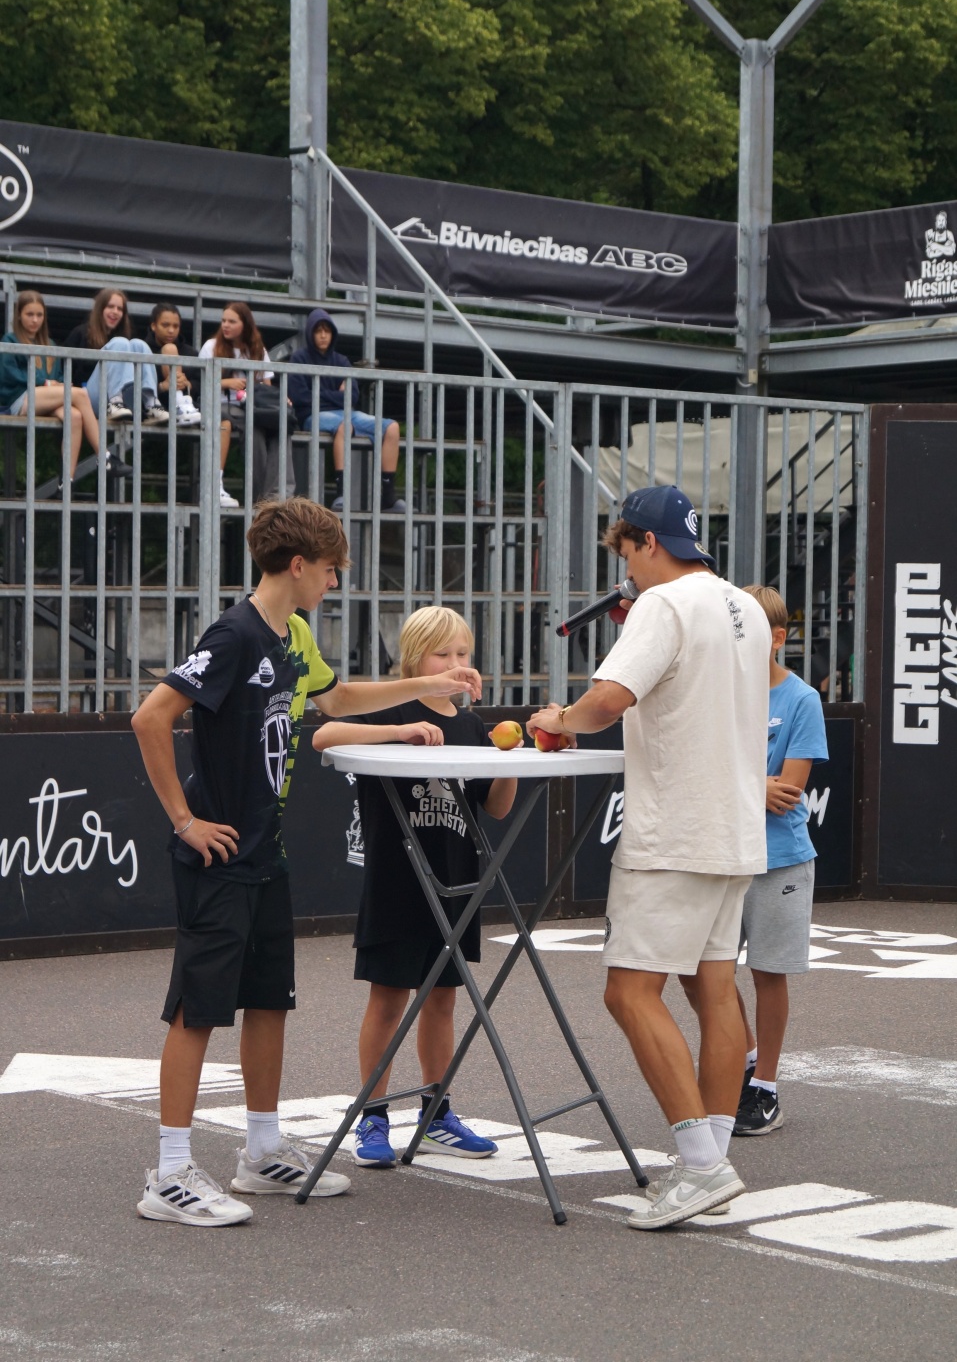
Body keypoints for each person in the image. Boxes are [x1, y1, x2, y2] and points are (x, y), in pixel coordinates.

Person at [130, 500, 484, 1228]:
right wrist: (185, 821)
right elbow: (150, 716)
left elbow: (336, 698)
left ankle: (262, 1151)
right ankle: (169, 1172)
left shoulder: (291, 633)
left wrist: (424, 687)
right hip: (219, 855)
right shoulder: (234, 635)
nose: (333, 582)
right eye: (329, 569)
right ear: (298, 565)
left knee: (269, 1002)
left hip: (267, 853)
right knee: (197, 1011)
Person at [527, 485, 770, 1230]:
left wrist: (559, 719)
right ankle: (709, 1160)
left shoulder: (663, 605)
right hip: (734, 828)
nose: (626, 570)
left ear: (647, 542)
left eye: (626, 552)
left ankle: (701, 1167)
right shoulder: (746, 606)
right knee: (715, 990)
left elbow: (606, 701)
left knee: (629, 993)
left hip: (675, 831)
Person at [314, 606, 516, 1167]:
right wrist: (399, 731)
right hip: (396, 882)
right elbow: (325, 735)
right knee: (387, 1001)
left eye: (463, 654)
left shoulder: (472, 726)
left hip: (456, 882)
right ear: (412, 659)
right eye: (441, 654)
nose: (455, 664)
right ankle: (372, 1116)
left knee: (443, 1002)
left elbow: (496, 808)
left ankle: (436, 1114)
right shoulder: (392, 708)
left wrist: (509, 760)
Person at [728, 584, 828, 1137]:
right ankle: (746, 1060)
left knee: (768, 974)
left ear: (778, 638)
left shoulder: (801, 699)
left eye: (748, 632)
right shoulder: (715, 695)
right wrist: (751, 786)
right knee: (704, 973)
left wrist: (737, 785)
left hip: (780, 860)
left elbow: (786, 792)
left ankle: (764, 1086)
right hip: (721, 855)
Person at [0, 290, 132, 481]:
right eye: (29, 314)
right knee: (80, 394)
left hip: (47, 400)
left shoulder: (50, 344)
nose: (35, 320)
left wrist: (59, 383)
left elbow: (59, 375)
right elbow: (9, 375)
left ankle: (66, 483)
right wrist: (46, 382)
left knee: (75, 416)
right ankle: (104, 456)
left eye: (39, 315)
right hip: (20, 400)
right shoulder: (10, 340)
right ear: (19, 315)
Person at [288, 308, 404, 513]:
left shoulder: (341, 361)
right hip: (312, 416)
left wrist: (319, 394)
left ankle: (388, 497)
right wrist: (336, 395)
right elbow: (300, 397)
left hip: (346, 413)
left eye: (327, 331)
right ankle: (341, 494)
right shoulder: (299, 358)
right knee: (344, 427)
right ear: (310, 333)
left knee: (392, 428)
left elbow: (352, 397)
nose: (323, 335)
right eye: (318, 331)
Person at [199, 301, 292, 510]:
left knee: (278, 424)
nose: (225, 325)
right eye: (223, 321)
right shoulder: (211, 346)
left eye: (232, 321)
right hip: (221, 405)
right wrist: (226, 383)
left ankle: (275, 494)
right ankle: (258, 496)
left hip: (251, 408)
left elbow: (267, 388)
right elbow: (201, 386)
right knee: (250, 427)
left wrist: (278, 400)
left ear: (245, 325)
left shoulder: (258, 350)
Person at [63, 289, 165, 424]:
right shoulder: (80, 333)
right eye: (110, 306)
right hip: (88, 400)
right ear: (100, 309)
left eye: (120, 309)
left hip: (126, 403)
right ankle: (114, 403)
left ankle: (151, 404)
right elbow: (65, 371)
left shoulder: (126, 337)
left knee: (139, 345)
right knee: (120, 343)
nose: (115, 312)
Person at [144, 303, 202, 427]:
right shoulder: (142, 350)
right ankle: (179, 403)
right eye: (165, 325)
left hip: (190, 410)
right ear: (153, 326)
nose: (171, 330)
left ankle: (181, 403)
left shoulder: (191, 353)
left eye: (176, 326)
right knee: (169, 349)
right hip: (149, 410)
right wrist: (161, 387)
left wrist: (187, 384)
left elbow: (201, 384)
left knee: (221, 419)